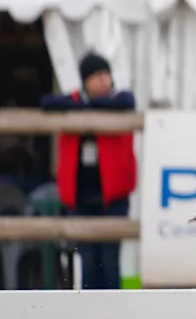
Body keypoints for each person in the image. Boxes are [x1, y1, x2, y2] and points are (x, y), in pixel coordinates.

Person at [39, 51, 137, 288]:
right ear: (85, 80)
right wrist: (84, 105)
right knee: (88, 262)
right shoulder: (73, 102)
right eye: (96, 75)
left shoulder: (118, 100)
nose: (103, 80)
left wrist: (83, 106)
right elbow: (47, 103)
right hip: (80, 195)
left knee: (110, 261)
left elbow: (127, 102)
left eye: (106, 74)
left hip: (112, 196)